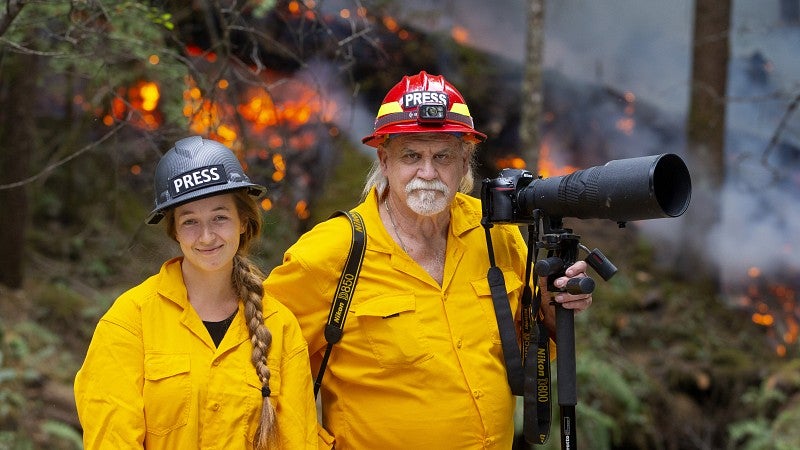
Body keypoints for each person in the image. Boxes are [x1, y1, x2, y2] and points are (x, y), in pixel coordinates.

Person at [263, 71, 593, 449]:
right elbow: (263, 368)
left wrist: (553, 316)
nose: (428, 172)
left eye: (442, 156)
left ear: (465, 161)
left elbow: (523, 350)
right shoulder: (331, 252)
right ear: (384, 160)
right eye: (411, 156)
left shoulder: (495, 233)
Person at [74, 136, 319, 449]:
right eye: (190, 221)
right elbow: (111, 439)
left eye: (220, 217)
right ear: (174, 230)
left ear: (242, 222)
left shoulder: (280, 328)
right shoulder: (130, 320)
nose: (206, 236)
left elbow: (298, 441)